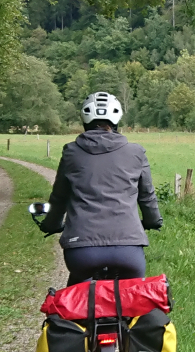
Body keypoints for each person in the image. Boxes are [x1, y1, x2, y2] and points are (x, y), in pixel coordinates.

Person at [36, 92, 162, 286]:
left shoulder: (71, 152)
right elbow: (147, 196)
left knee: (76, 296)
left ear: (85, 120)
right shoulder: (136, 152)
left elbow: (59, 198)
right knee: (133, 296)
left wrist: (51, 224)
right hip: (128, 251)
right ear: (116, 120)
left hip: (81, 251)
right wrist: (153, 221)